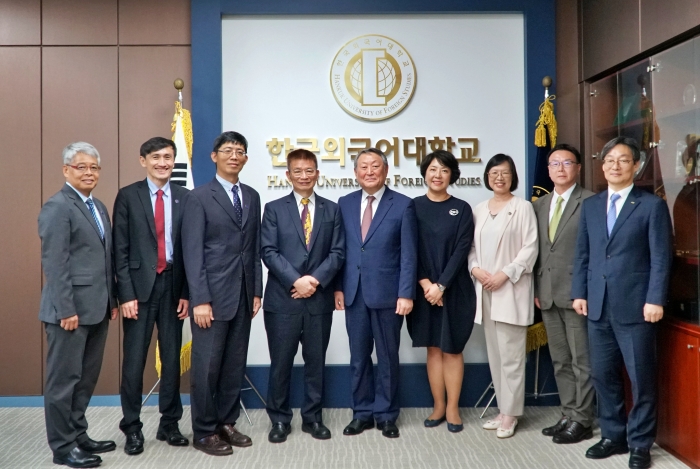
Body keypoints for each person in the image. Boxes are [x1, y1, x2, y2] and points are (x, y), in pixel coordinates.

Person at [572, 136, 672, 469]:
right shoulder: (591, 206)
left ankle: (640, 444)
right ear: (602, 166)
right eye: (609, 160)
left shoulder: (651, 206)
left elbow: (661, 257)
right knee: (603, 376)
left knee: (641, 378)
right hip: (597, 306)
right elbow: (583, 255)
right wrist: (579, 293)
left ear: (636, 165)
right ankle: (613, 436)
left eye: (623, 160)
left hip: (637, 306)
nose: (615, 165)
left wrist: (655, 298)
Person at [181, 131, 262, 456]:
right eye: (228, 150)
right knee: (207, 366)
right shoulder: (198, 197)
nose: (234, 155)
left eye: (240, 151)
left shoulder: (253, 196)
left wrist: (256, 290)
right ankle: (203, 431)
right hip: (210, 299)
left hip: (243, 294)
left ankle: (227, 422)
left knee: (233, 363)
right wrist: (199, 299)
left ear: (245, 158)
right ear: (214, 156)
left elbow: (252, 247)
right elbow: (193, 252)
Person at [38, 142, 118, 468]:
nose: (89, 172)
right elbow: (55, 264)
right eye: (81, 166)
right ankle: (62, 447)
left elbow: (102, 260)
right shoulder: (58, 206)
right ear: (66, 170)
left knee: (84, 379)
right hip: (69, 312)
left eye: (94, 167)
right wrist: (66, 309)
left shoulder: (97, 206)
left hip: (97, 308)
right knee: (63, 383)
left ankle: (78, 434)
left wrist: (111, 300)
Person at [260, 149, 345, 443]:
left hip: (318, 301)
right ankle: (279, 420)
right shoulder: (273, 208)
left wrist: (315, 281)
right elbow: (268, 251)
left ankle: (312, 418)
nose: (304, 176)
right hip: (282, 301)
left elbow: (337, 253)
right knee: (280, 363)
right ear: (288, 175)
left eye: (309, 170)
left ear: (317, 173)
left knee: (315, 363)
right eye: (298, 171)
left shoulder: (332, 210)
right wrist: (296, 280)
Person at [113, 137, 190, 455]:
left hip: (173, 287)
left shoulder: (185, 197)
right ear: (143, 160)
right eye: (156, 157)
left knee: (171, 360)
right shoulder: (128, 196)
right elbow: (119, 248)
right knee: (134, 363)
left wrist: (186, 291)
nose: (163, 163)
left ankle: (169, 424)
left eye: (169, 157)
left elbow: (189, 250)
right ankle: (132, 427)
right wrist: (125, 294)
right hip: (139, 291)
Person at [335, 148, 418, 439]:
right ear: (356, 173)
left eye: (375, 166)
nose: (369, 171)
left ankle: (386, 414)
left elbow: (409, 254)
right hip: (353, 294)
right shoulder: (344, 203)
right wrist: (337, 288)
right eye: (363, 167)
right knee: (358, 357)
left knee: (387, 357)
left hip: (388, 294)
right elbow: (339, 251)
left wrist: (406, 293)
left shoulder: (404, 205)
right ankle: (361, 413)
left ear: (386, 170)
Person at [467, 153, 538, 439]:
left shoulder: (522, 208)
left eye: (505, 173)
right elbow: (470, 247)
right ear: (487, 176)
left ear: (513, 177)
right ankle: (502, 408)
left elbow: (530, 248)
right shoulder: (479, 209)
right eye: (494, 172)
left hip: (510, 289)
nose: (499, 177)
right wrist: (476, 270)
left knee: (511, 356)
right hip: (485, 291)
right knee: (495, 356)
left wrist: (504, 274)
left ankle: (511, 414)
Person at [407, 150, 476, 433]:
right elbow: (411, 249)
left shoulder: (461, 208)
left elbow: (462, 250)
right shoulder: (412, 207)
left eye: (444, 170)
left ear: (452, 175)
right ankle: (438, 406)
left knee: (452, 348)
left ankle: (453, 408)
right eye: (433, 169)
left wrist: (442, 285)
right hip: (423, 291)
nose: (437, 175)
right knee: (433, 348)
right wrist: (426, 284)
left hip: (455, 289)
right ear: (425, 172)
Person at [533, 143, 596, 444]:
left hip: (576, 295)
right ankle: (569, 413)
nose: (560, 168)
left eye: (567, 162)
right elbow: (538, 252)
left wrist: (585, 290)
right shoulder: (539, 205)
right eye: (554, 163)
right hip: (546, 294)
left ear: (579, 168)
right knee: (560, 360)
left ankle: (583, 419)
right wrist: (535, 288)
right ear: (547, 170)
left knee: (581, 360)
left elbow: (596, 253)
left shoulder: (592, 202)